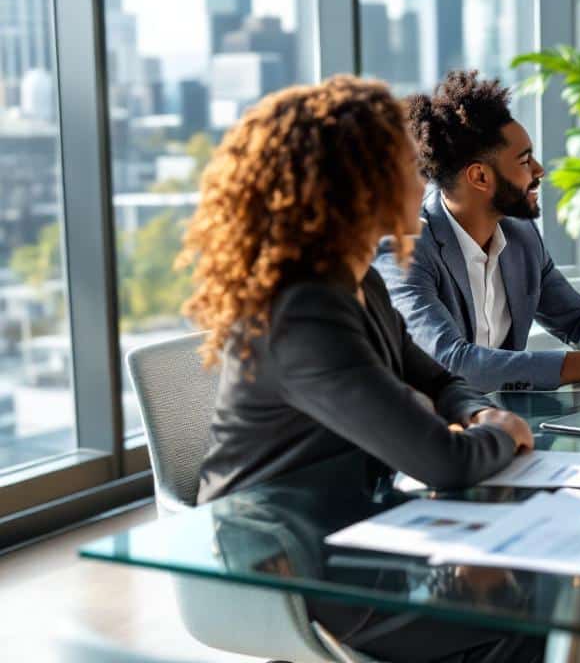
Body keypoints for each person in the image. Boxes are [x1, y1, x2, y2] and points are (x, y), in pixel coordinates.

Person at [183, 76, 543, 661]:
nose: (422, 179)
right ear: (357, 186)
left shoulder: (360, 282)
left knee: (552, 589)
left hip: (360, 525)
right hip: (286, 561)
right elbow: (442, 461)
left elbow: (439, 379)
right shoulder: (302, 312)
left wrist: (477, 409)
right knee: (537, 615)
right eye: (405, 165)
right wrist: (499, 433)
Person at [375, 70, 580, 393]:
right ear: (480, 177)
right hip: (430, 430)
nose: (539, 170)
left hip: (507, 424)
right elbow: (452, 363)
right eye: (525, 160)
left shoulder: (521, 236)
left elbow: (578, 319)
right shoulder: (406, 249)